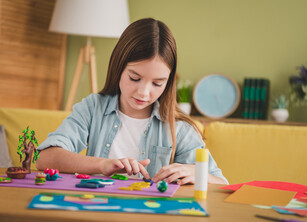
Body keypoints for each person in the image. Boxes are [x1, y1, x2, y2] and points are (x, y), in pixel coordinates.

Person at [36, 18, 228, 186]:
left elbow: (222, 183)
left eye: (157, 83)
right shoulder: (93, 108)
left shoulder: (179, 128)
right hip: (95, 218)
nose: (144, 92)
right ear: (118, 67)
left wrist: (197, 172)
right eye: (134, 78)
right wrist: (102, 165)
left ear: (168, 82)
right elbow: (45, 158)